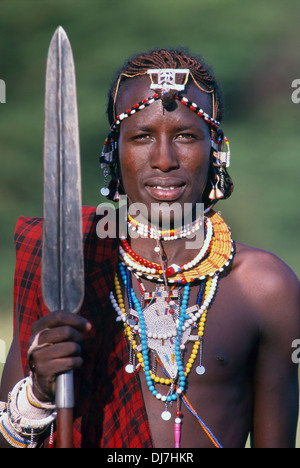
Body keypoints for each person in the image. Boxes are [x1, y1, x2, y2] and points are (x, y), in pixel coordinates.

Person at [0, 48, 299, 449]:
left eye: (186, 136)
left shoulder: (265, 287)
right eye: (141, 136)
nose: (163, 160)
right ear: (113, 152)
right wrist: (37, 395)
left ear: (217, 151)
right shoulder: (67, 263)